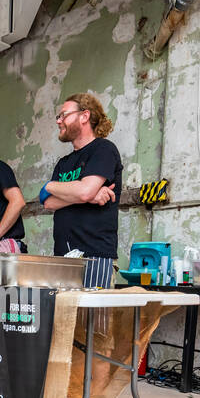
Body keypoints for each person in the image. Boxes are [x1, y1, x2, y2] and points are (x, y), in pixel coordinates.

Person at [39, 92, 121, 288]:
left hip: (95, 258)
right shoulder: (63, 163)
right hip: (63, 259)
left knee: (92, 319)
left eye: (63, 115)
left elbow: (84, 191)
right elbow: (48, 202)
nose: (59, 121)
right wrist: (87, 196)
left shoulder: (103, 150)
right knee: (61, 318)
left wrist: (55, 187)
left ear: (84, 116)